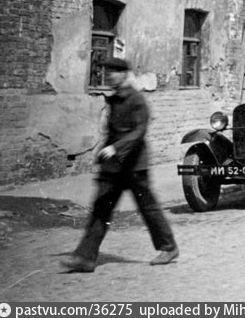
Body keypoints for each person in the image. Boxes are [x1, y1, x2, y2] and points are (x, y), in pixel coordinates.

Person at [61, 57, 178, 273]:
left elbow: (139, 131)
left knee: (148, 208)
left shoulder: (136, 100)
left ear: (124, 74)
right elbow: (112, 132)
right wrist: (102, 156)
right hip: (113, 167)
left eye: (113, 72)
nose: (109, 76)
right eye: (107, 72)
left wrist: (116, 148)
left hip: (134, 165)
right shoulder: (115, 100)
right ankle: (85, 258)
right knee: (101, 209)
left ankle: (169, 247)